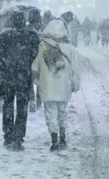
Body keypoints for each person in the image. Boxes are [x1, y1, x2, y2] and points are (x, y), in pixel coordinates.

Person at [0, 11, 40, 151]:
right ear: (24, 21)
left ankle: (8, 135)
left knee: (8, 105)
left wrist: (5, 66)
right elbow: (36, 56)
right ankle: (19, 137)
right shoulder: (32, 36)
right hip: (24, 76)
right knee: (22, 107)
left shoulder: (5, 36)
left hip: (8, 77)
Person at [31, 20, 80, 151]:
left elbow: (36, 65)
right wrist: (75, 84)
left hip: (48, 85)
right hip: (64, 86)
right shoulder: (70, 48)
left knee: (51, 112)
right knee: (62, 112)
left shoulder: (43, 45)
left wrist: (35, 77)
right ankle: (63, 138)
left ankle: (54, 140)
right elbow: (76, 69)